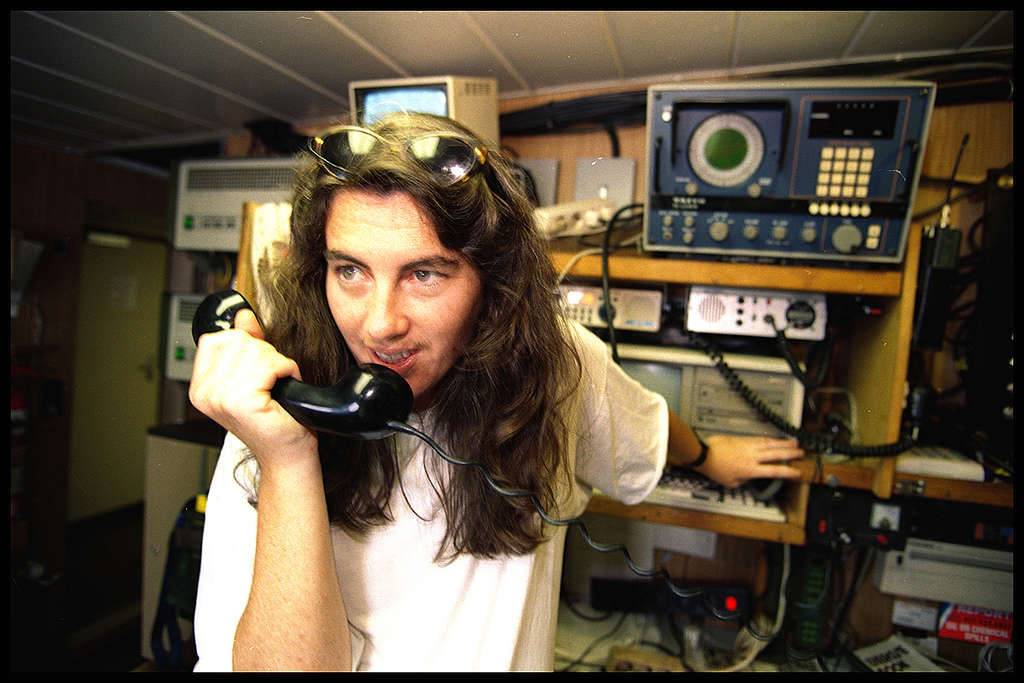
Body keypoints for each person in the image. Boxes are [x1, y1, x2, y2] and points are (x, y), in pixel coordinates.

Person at [188, 112, 804, 672]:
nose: (379, 324)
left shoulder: (557, 368)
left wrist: (709, 457)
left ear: (494, 282)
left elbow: (647, 426)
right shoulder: (274, 418)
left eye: (423, 274)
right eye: (350, 271)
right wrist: (289, 460)